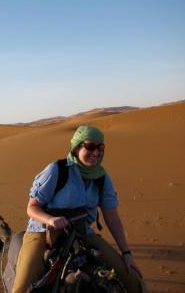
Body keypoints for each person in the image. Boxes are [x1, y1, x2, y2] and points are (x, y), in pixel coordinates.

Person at [12, 125, 145, 293]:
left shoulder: (102, 178)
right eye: (90, 147)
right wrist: (50, 220)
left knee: (133, 281)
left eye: (100, 147)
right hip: (42, 232)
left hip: (81, 232)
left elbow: (112, 217)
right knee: (21, 289)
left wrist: (126, 253)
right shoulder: (57, 170)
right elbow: (32, 208)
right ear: (76, 147)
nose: (96, 153)